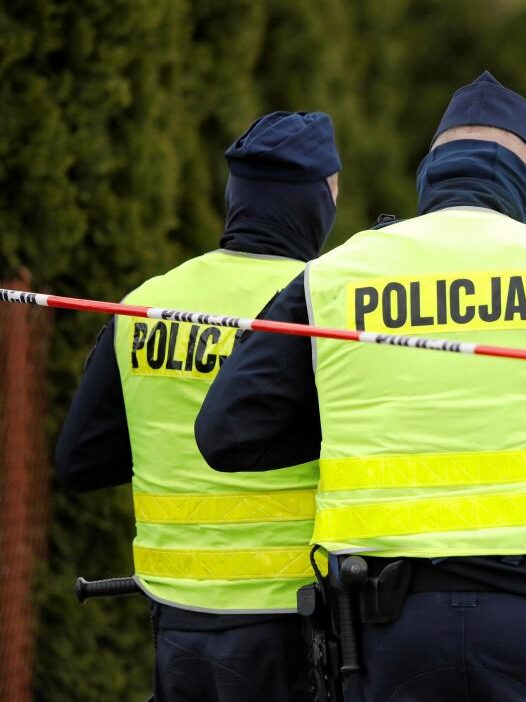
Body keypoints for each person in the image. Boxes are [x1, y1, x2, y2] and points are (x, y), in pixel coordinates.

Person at [195, 72, 526, 702]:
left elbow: (226, 434)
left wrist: (356, 411)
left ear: (431, 171)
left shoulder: (333, 276)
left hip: (386, 637)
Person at [55, 112, 342, 702]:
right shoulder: (322, 305)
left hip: (176, 618)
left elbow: (81, 460)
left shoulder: (145, 304)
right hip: (290, 615)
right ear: (314, 201)